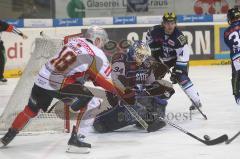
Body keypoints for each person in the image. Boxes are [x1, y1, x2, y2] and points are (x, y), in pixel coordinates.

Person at [0, 26, 133, 153]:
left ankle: (6, 138)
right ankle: (77, 140)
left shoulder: (75, 41)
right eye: (102, 41)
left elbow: (74, 66)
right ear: (97, 39)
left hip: (42, 77)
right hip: (58, 82)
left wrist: (88, 76)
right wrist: (120, 92)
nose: (102, 45)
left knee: (30, 110)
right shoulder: (97, 53)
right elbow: (107, 80)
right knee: (93, 103)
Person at [93, 40, 175, 133]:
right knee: (129, 102)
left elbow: (151, 83)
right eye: (140, 54)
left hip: (135, 98)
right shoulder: (121, 60)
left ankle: (149, 119)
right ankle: (148, 120)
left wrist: (161, 91)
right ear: (132, 52)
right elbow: (115, 81)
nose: (142, 57)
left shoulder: (146, 64)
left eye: (144, 55)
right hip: (116, 102)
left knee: (159, 98)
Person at [146, 12, 202, 111]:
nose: (170, 26)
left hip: (177, 59)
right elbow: (149, 36)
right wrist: (155, 51)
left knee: (181, 77)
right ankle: (151, 100)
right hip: (162, 58)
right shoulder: (155, 31)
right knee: (152, 76)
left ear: (175, 23)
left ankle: (196, 100)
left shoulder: (179, 38)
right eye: (167, 23)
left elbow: (184, 54)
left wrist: (178, 70)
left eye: (172, 23)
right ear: (163, 23)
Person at [224, 7, 240, 105]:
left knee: (236, 76)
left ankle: (237, 97)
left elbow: (230, 45)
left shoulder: (226, 32)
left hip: (236, 57)